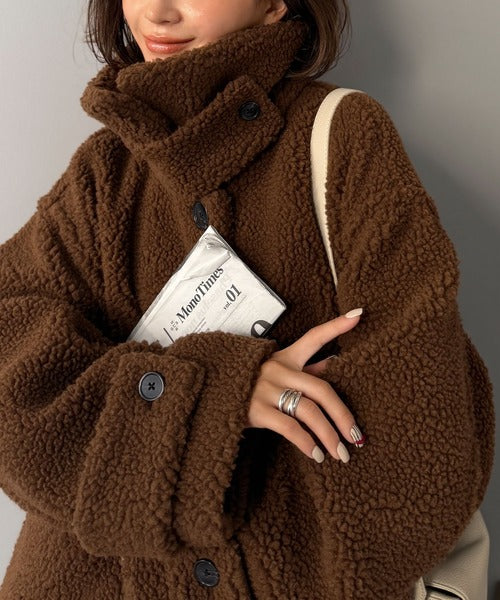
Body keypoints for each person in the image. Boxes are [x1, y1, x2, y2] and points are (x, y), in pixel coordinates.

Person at [0, 0, 494, 599]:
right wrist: (210, 399)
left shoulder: (343, 136)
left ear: (276, 4)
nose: (157, 13)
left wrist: (133, 460)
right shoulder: (103, 175)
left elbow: (420, 441)